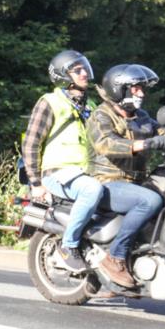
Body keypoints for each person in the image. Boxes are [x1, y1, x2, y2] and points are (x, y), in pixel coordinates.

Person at [88, 64, 165, 289]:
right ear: (119, 90)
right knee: (149, 200)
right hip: (108, 182)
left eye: (142, 89)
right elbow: (105, 144)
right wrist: (144, 144)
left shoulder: (141, 116)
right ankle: (115, 257)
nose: (141, 94)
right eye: (136, 89)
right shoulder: (101, 115)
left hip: (136, 182)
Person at [22, 50, 102, 273]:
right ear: (62, 75)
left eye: (84, 68)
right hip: (57, 174)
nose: (84, 73)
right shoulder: (50, 102)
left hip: (84, 173)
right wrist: (36, 184)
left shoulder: (91, 106)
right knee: (92, 190)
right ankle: (68, 245)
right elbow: (31, 144)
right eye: (77, 70)